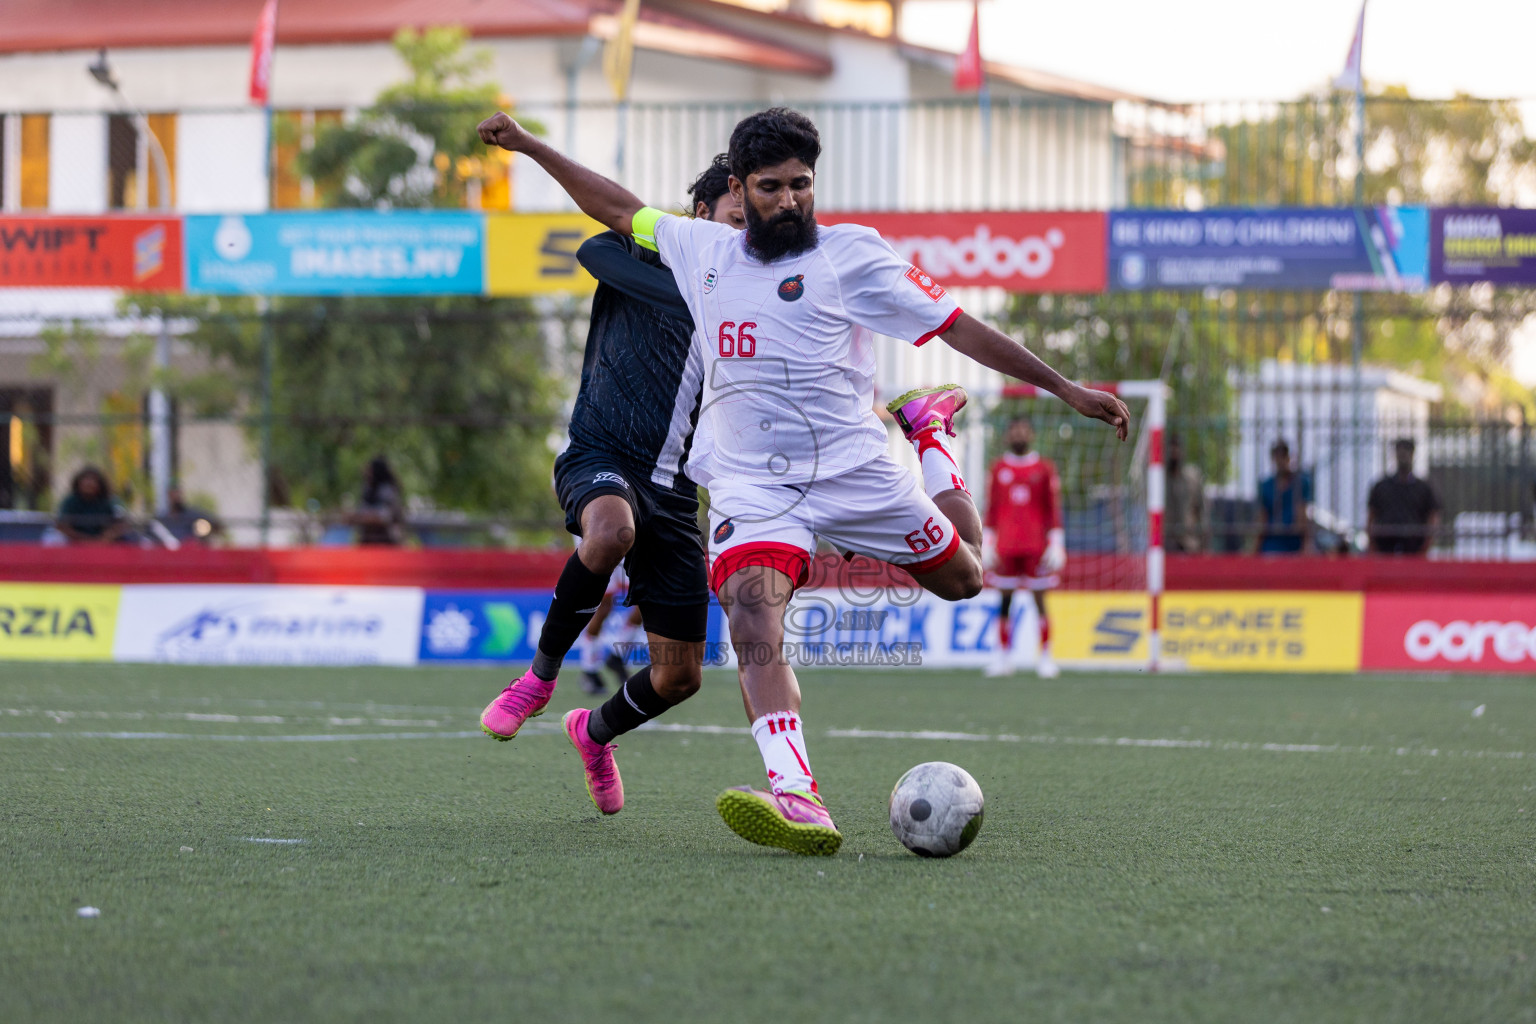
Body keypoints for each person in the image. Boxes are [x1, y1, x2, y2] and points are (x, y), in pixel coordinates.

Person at [478, 105, 1130, 855]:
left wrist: (1066, 388)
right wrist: (527, 145)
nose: (789, 200)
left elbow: (957, 325)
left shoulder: (854, 255)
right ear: (737, 188)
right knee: (752, 617)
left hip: (854, 470)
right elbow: (616, 207)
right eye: (770, 186)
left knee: (967, 577)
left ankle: (932, 437)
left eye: (801, 184)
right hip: (753, 487)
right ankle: (799, 794)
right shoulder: (700, 249)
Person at [477, 154, 746, 816]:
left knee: (679, 677)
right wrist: (691, 290)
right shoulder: (645, 255)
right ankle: (538, 681)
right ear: (702, 216)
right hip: (600, 454)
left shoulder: (750, 294)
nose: (746, 236)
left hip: (676, 493)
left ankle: (593, 733)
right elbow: (596, 245)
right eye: (737, 220)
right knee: (609, 529)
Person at [983, 416, 1064, 679]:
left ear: (1031, 435)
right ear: (1008, 436)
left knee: (1039, 601)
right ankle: (1004, 657)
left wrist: (1057, 541)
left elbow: (1052, 508)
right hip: (1006, 546)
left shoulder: (1044, 468)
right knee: (1004, 601)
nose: (1019, 435)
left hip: (1035, 546)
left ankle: (1046, 657)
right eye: (1014, 430)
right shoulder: (998, 469)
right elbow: (991, 508)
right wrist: (988, 541)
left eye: (1023, 430)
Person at [1367, 438, 1441, 555]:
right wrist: (1372, 545)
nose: (1403, 457)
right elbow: (1371, 515)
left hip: (1414, 546)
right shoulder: (1382, 486)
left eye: (1406, 452)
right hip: (1385, 546)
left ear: (1412, 455)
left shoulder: (1424, 488)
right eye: (1400, 453)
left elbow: (1433, 517)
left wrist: (1425, 547)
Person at [1254, 439, 1312, 554]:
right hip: (1271, 544)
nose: (1280, 461)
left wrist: (1306, 545)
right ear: (1273, 459)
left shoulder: (1301, 484)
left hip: (1294, 545)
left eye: (1283, 456)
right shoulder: (1265, 486)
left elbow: (1302, 515)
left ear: (1289, 457)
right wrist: (1255, 548)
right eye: (1277, 456)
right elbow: (1262, 519)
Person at [55, 466, 129, 544]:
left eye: (93, 480)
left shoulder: (111, 500)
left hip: (106, 542)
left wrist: (105, 537)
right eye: (85, 480)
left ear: (100, 484)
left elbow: (122, 524)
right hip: (75, 542)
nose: (89, 483)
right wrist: (83, 540)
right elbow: (61, 525)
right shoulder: (70, 501)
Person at [1164, 433, 1206, 554]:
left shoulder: (1192, 478)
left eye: (1177, 447)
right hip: (1167, 542)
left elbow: (1201, 512)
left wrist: (1203, 544)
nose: (1174, 451)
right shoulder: (1161, 481)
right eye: (1171, 447)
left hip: (1189, 543)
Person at [353, 457, 404, 546]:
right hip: (367, 538)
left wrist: (364, 517)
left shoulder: (387, 490)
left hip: (387, 539)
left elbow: (386, 515)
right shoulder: (367, 489)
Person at [157, 484, 223, 546]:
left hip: (191, 549)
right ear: (169, 496)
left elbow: (215, 525)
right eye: (173, 494)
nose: (176, 497)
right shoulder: (162, 519)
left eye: (178, 494)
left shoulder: (192, 515)